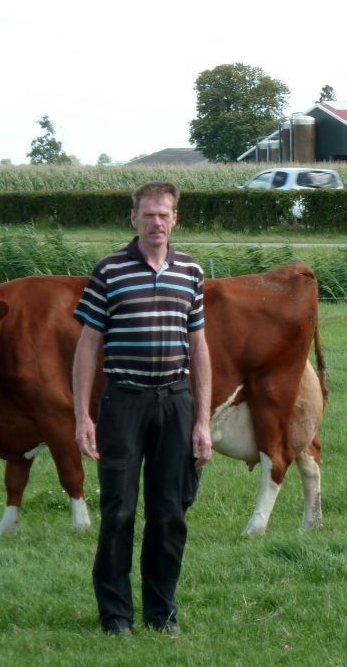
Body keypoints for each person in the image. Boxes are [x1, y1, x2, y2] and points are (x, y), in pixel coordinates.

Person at [72, 181, 212, 637]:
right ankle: (116, 616)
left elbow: (199, 346)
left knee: (170, 513)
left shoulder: (190, 271)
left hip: (175, 402)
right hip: (124, 402)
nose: (156, 222)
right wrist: (82, 415)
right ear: (133, 219)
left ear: (175, 220)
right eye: (148, 214)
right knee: (118, 512)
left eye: (164, 214)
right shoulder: (110, 271)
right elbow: (88, 346)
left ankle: (161, 612)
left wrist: (203, 421)